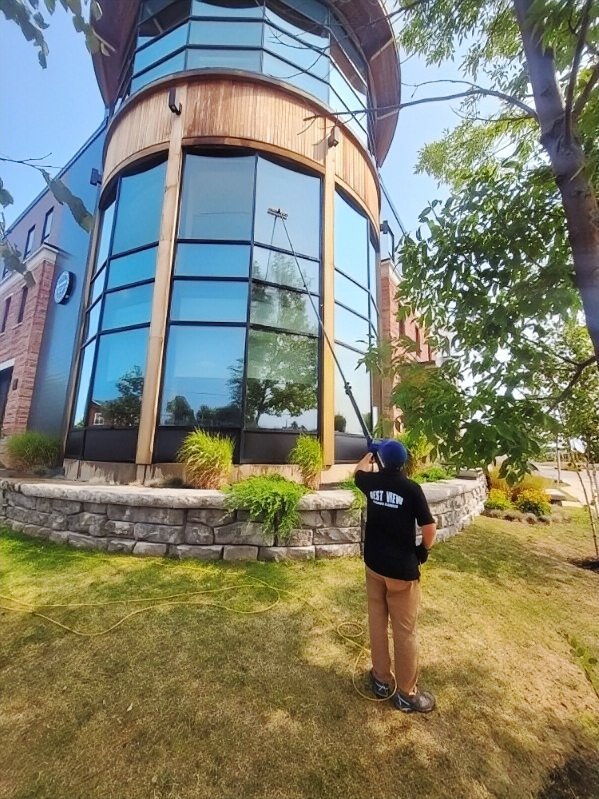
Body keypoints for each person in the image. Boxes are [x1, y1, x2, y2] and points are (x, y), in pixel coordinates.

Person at [354, 439, 437, 713]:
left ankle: (381, 679)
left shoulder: (370, 483)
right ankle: (405, 694)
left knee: (377, 623)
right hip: (401, 572)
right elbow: (429, 529)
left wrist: (370, 453)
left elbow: (358, 471)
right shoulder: (411, 489)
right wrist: (422, 551)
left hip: (374, 566)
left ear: (382, 460)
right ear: (404, 462)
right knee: (404, 632)